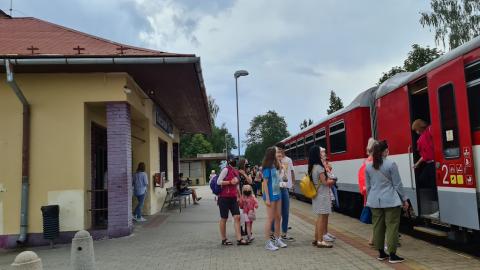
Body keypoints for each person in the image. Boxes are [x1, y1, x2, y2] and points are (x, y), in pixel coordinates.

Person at [366, 140, 409, 263]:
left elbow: (368, 187)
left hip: (374, 201)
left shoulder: (369, 166)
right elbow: (398, 185)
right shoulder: (391, 164)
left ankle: (381, 253)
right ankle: (392, 255)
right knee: (392, 227)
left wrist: (370, 199)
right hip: (390, 200)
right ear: (385, 151)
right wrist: (404, 199)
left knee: (377, 227)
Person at [216, 158, 249, 246]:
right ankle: (224, 239)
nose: (234, 162)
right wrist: (229, 182)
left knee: (237, 216)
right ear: (229, 162)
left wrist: (239, 196)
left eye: (235, 160)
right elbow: (218, 181)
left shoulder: (236, 171)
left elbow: (237, 185)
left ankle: (239, 239)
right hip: (223, 197)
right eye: (232, 160)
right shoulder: (226, 169)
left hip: (233, 197)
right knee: (224, 218)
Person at [309, 146, 335, 248]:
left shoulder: (312, 166)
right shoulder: (319, 167)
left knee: (319, 217)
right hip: (322, 195)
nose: (322, 154)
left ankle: (316, 239)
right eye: (320, 152)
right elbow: (325, 182)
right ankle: (320, 241)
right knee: (321, 218)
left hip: (317, 194)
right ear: (317, 154)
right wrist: (333, 180)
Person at [262, 146, 287, 251]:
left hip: (278, 194)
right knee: (270, 218)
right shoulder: (267, 167)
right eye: (277, 152)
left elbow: (281, 177)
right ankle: (268, 243)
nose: (279, 154)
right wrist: (267, 198)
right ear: (272, 154)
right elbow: (265, 184)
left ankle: (277, 239)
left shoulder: (276, 165)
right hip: (271, 196)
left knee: (278, 217)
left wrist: (280, 162)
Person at [412, 119, 438, 218]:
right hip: (429, 163)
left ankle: (438, 208)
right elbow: (425, 154)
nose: (416, 132)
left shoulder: (430, 130)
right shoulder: (424, 135)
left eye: (416, 130)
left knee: (433, 185)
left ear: (419, 127)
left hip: (434, 163)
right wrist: (417, 163)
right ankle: (434, 205)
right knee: (424, 180)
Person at [271, 142, 295, 242]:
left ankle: (284, 233)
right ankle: (272, 233)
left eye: (280, 150)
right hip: (276, 189)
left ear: (284, 150)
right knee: (276, 212)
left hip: (285, 188)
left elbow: (292, 172)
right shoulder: (273, 162)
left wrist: (292, 183)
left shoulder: (288, 160)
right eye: (277, 150)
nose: (279, 152)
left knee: (285, 211)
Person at [358, 138, 376, 245]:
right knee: (378, 218)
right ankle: (374, 240)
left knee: (376, 218)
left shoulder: (365, 162)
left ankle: (373, 239)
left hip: (368, 194)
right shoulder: (373, 162)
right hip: (374, 193)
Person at [320, 147, 337, 243]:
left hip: (327, 191)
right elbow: (325, 180)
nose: (325, 154)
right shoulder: (320, 166)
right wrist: (333, 179)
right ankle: (323, 234)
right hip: (324, 191)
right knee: (324, 214)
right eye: (323, 153)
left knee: (327, 213)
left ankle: (326, 232)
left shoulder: (325, 165)